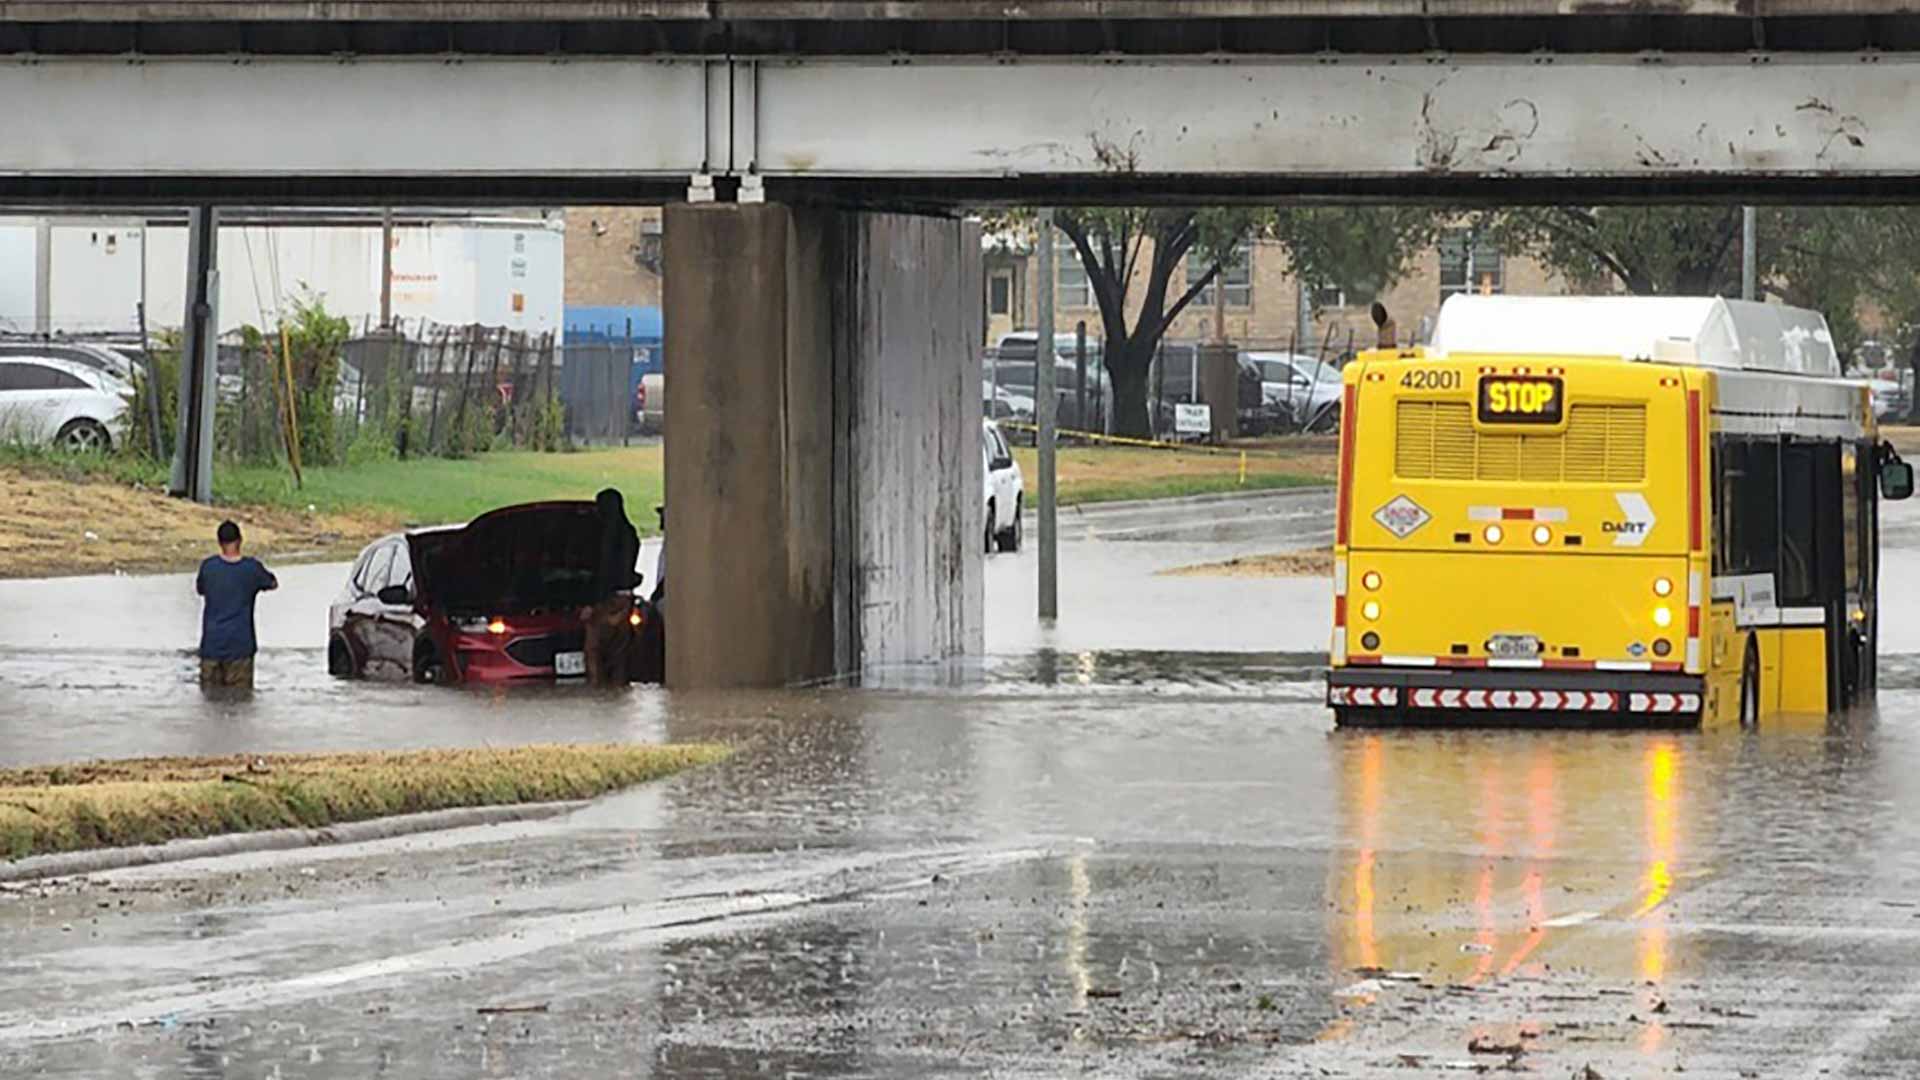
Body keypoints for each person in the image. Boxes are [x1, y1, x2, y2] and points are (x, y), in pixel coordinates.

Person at [196, 520, 278, 691]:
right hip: (240, 647)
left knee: (210, 702)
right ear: (240, 540)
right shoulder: (252, 568)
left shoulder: (208, 567)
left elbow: (200, 589)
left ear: (219, 543)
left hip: (211, 645)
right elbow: (272, 583)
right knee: (240, 701)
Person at [581, 488, 640, 686]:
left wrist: (591, 604)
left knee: (594, 650)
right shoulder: (630, 533)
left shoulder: (606, 536)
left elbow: (604, 573)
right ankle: (619, 691)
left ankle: (599, 692)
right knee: (619, 653)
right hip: (626, 600)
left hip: (607, 601)